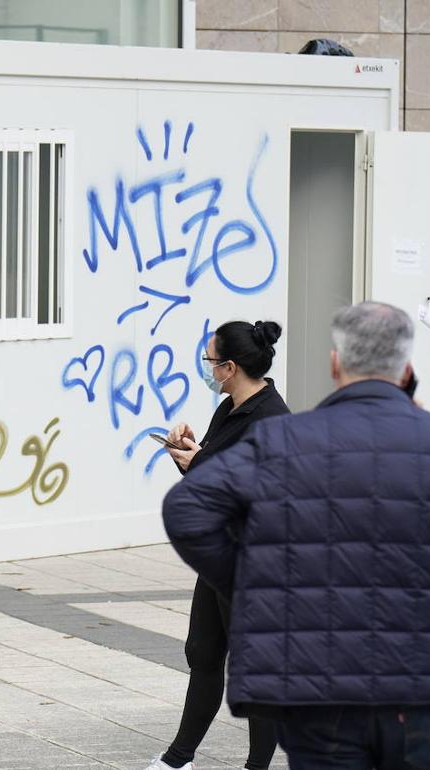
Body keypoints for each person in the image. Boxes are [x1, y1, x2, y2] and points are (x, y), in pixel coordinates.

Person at [164, 301, 430, 769]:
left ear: (335, 365)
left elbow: (195, 510)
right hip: (425, 682)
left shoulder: (289, 438)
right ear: (408, 369)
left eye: (212, 362)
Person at [145, 321, 288, 770]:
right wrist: (189, 452)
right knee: (204, 654)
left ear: (229, 367)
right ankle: (178, 759)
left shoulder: (272, 420)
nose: (206, 368)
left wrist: (202, 460)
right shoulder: (229, 409)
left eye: (210, 361)